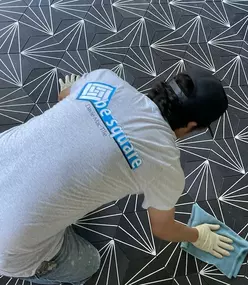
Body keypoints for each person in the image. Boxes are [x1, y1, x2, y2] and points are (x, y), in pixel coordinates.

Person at [0, 69, 233, 285]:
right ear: (191, 125)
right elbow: (163, 228)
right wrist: (197, 236)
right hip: (9, 250)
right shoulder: (164, 163)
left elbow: (64, 96)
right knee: (89, 264)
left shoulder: (104, 79)